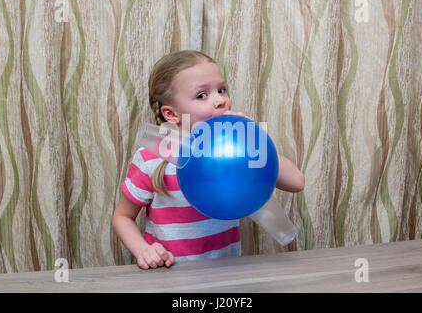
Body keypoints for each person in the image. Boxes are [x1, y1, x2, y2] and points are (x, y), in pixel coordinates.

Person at [111, 50, 305, 269]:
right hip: (170, 276)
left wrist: (256, 140)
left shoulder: (241, 150)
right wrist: (143, 251)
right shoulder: (151, 157)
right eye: (202, 95)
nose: (220, 100)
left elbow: (297, 182)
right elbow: (122, 217)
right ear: (172, 114)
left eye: (221, 90)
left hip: (226, 274)